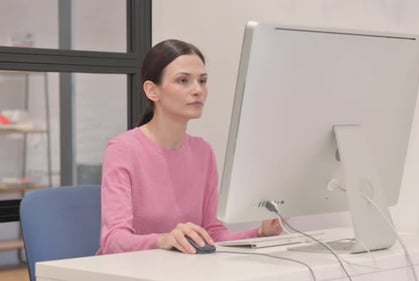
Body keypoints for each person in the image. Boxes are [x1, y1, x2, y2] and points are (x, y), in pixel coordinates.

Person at [97, 39, 282, 255]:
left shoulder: (203, 152)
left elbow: (213, 233)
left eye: (202, 81)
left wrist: (260, 233)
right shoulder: (122, 150)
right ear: (152, 91)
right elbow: (113, 240)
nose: (197, 90)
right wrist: (163, 240)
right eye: (183, 80)